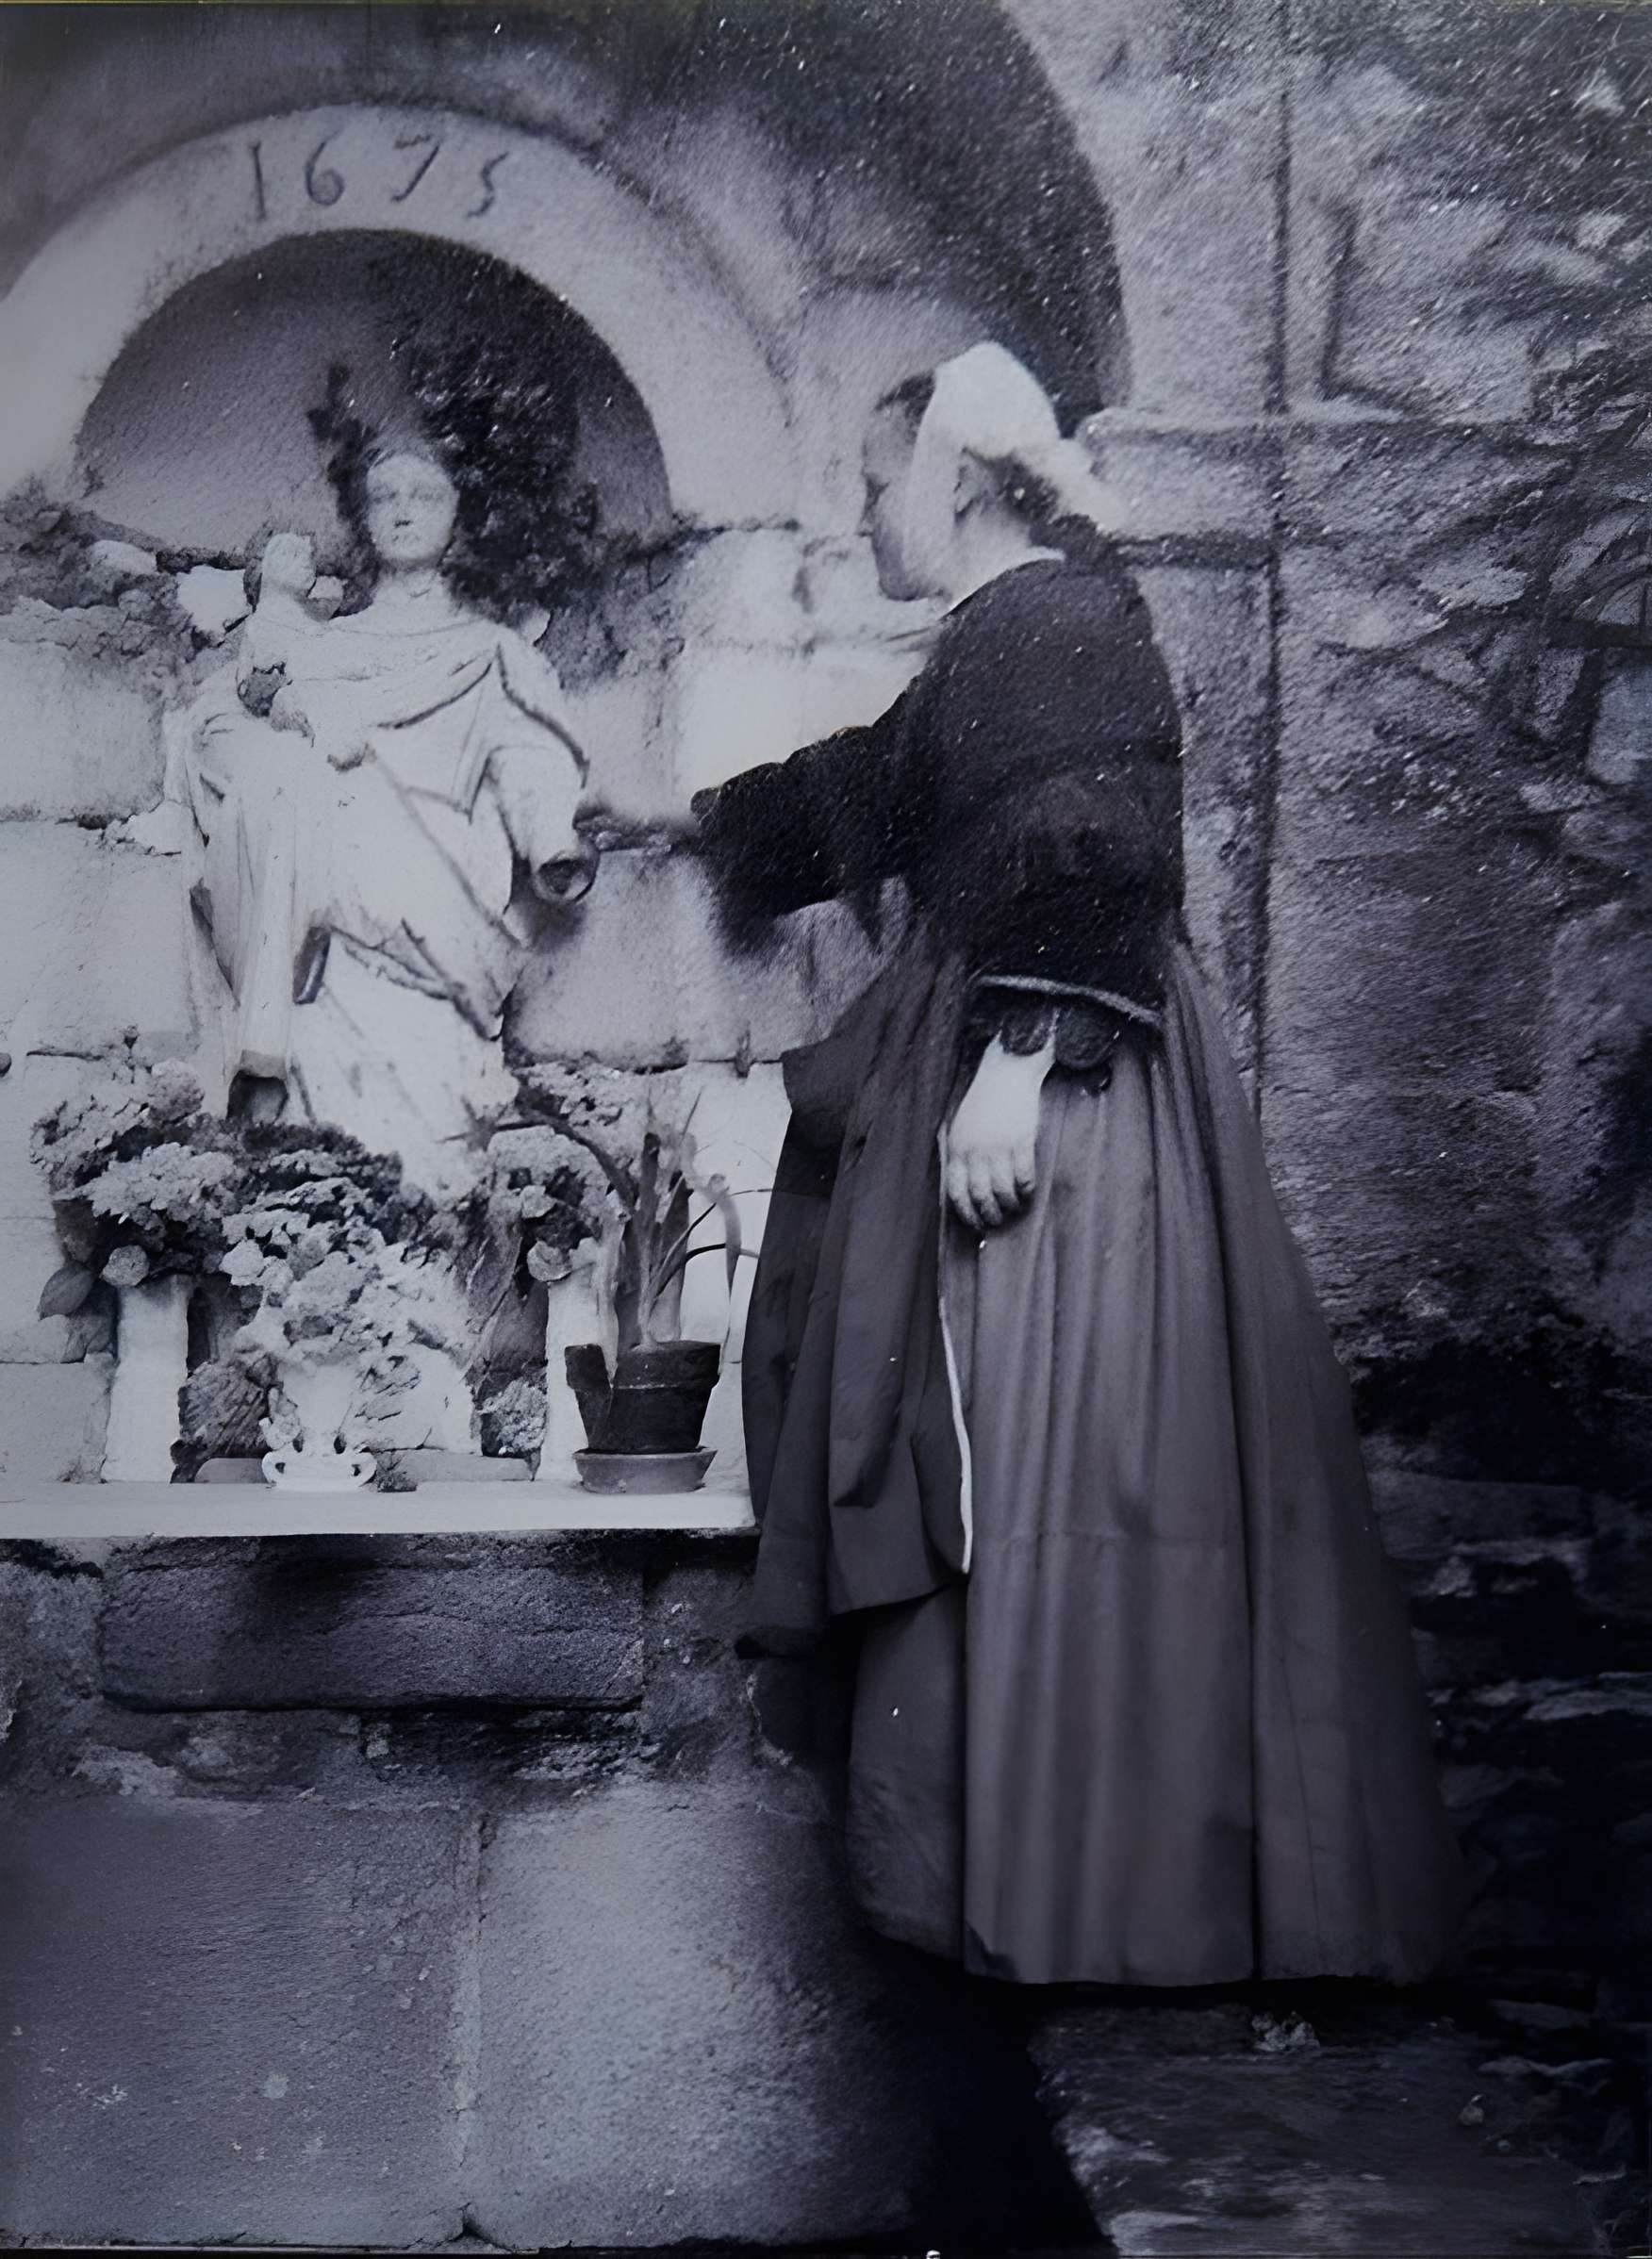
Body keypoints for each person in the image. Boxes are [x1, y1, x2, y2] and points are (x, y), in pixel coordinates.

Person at [692, 342, 1468, 1987]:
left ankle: (1085, 1899)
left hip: (1057, 1084)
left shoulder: (1055, 620)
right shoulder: (1004, 634)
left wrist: (1023, 1059)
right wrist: (675, 825)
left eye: (886, 479)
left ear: (960, 480)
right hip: (1000, 1041)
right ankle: (1023, 1882)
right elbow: (870, 781)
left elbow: (1100, 843)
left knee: (1046, 1452)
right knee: (1012, 1460)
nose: (873, 513)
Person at [155, 420, 595, 1197]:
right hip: (328, 919)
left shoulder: (491, 650)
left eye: (424, 494)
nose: (402, 510)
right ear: (360, 514)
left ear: (460, 514)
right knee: (324, 1111)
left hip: (442, 896)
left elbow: (532, 751)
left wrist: (551, 833)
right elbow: (215, 735)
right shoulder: (320, 648)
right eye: (385, 494)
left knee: (430, 1129)